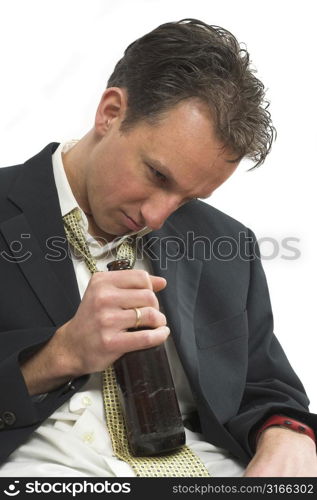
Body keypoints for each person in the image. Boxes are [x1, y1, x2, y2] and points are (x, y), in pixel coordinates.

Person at [0, 18, 316, 478]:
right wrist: (59, 356)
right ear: (110, 112)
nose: (158, 218)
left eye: (188, 198)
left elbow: (266, 387)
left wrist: (289, 436)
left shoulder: (227, 243)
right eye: (157, 176)